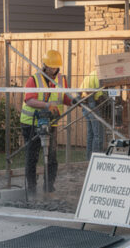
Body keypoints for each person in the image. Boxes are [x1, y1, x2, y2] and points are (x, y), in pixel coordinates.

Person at [20, 49, 73, 196]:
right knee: (32, 156)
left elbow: (66, 98)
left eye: (55, 67)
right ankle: (31, 188)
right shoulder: (34, 79)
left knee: (52, 156)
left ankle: (49, 187)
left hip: (51, 122)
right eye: (50, 66)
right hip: (31, 123)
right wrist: (47, 105)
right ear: (44, 65)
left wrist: (77, 100)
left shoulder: (62, 80)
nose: (53, 69)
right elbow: (29, 100)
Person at [80, 68, 105, 159]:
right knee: (98, 134)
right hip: (92, 104)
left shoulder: (90, 75)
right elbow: (99, 97)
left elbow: (80, 91)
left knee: (90, 134)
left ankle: (89, 158)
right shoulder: (99, 76)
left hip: (85, 104)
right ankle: (96, 158)